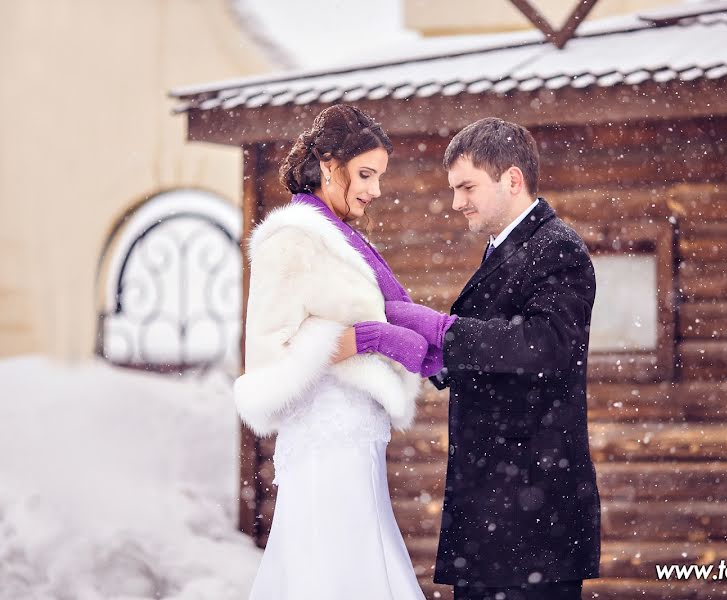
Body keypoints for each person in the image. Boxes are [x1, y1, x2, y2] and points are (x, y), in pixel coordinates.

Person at [383, 118, 601, 600]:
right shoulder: (505, 247)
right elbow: (500, 355)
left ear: (513, 180)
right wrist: (430, 356)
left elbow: (546, 345)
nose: (456, 202)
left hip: (532, 517)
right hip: (499, 515)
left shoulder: (558, 248)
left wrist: (445, 331)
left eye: (467, 187)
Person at [234, 104, 428, 600]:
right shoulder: (290, 241)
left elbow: (389, 309)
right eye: (365, 174)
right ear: (327, 164)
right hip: (325, 441)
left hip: (357, 441)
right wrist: (369, 339)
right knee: (331, 575)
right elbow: (270, 361)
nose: (375, 190)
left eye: (378, 177)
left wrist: (442, 338)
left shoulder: (343, 238)